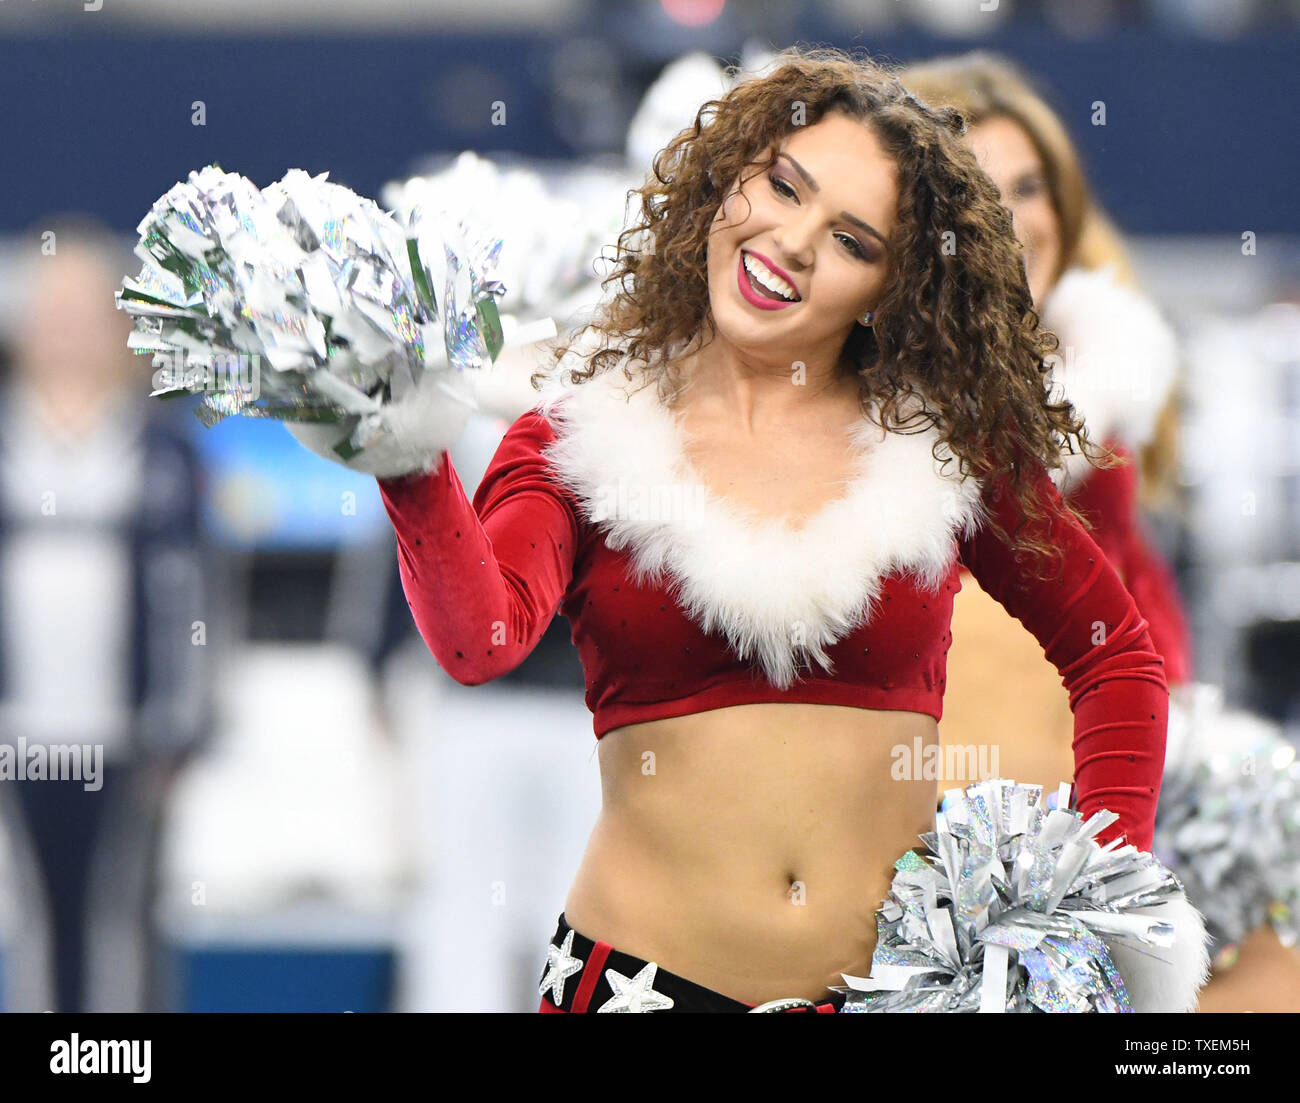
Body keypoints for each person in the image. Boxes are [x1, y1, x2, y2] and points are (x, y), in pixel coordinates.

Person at [371, 46, 1172, 1013]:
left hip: (890, 995)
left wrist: (1085, 914)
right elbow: (480, 637)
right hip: (636, 986)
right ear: (723, 180)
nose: (792, 240)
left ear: (892, 287)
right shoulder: (579, 429)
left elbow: (1116, 655)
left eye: (852, 240)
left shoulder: (942, 445)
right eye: (782, 186)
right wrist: (410, 464)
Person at [902, 51, 1300, 1012]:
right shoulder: (887, 435)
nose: (1018, 216)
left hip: (1128, 819)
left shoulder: (1100, 389)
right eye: (981, 189)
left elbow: (1127, 630)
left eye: (1033, 185)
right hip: (954, 885)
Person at [0, 216, 213, 1011]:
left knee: (119, 920)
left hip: (125, 733)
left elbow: (196, 598)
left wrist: (182, 719)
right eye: (48, 311)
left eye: (84, 312)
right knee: (33, 919)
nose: (64, 331)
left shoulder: (161, 451)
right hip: (17, 730)